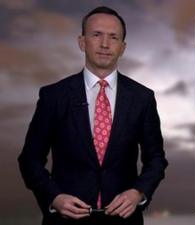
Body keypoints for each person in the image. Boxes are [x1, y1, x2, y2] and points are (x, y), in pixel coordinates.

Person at [18, 6, 168, 225]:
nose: (105, 44)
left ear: (123, 47)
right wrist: (54, 198)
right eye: (97, 35)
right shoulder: (53, 96)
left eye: (113, 37)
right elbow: (30, 160)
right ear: (82, 42)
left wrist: (138, 193)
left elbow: (156, 159)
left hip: (124, 220)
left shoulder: (142, 98)